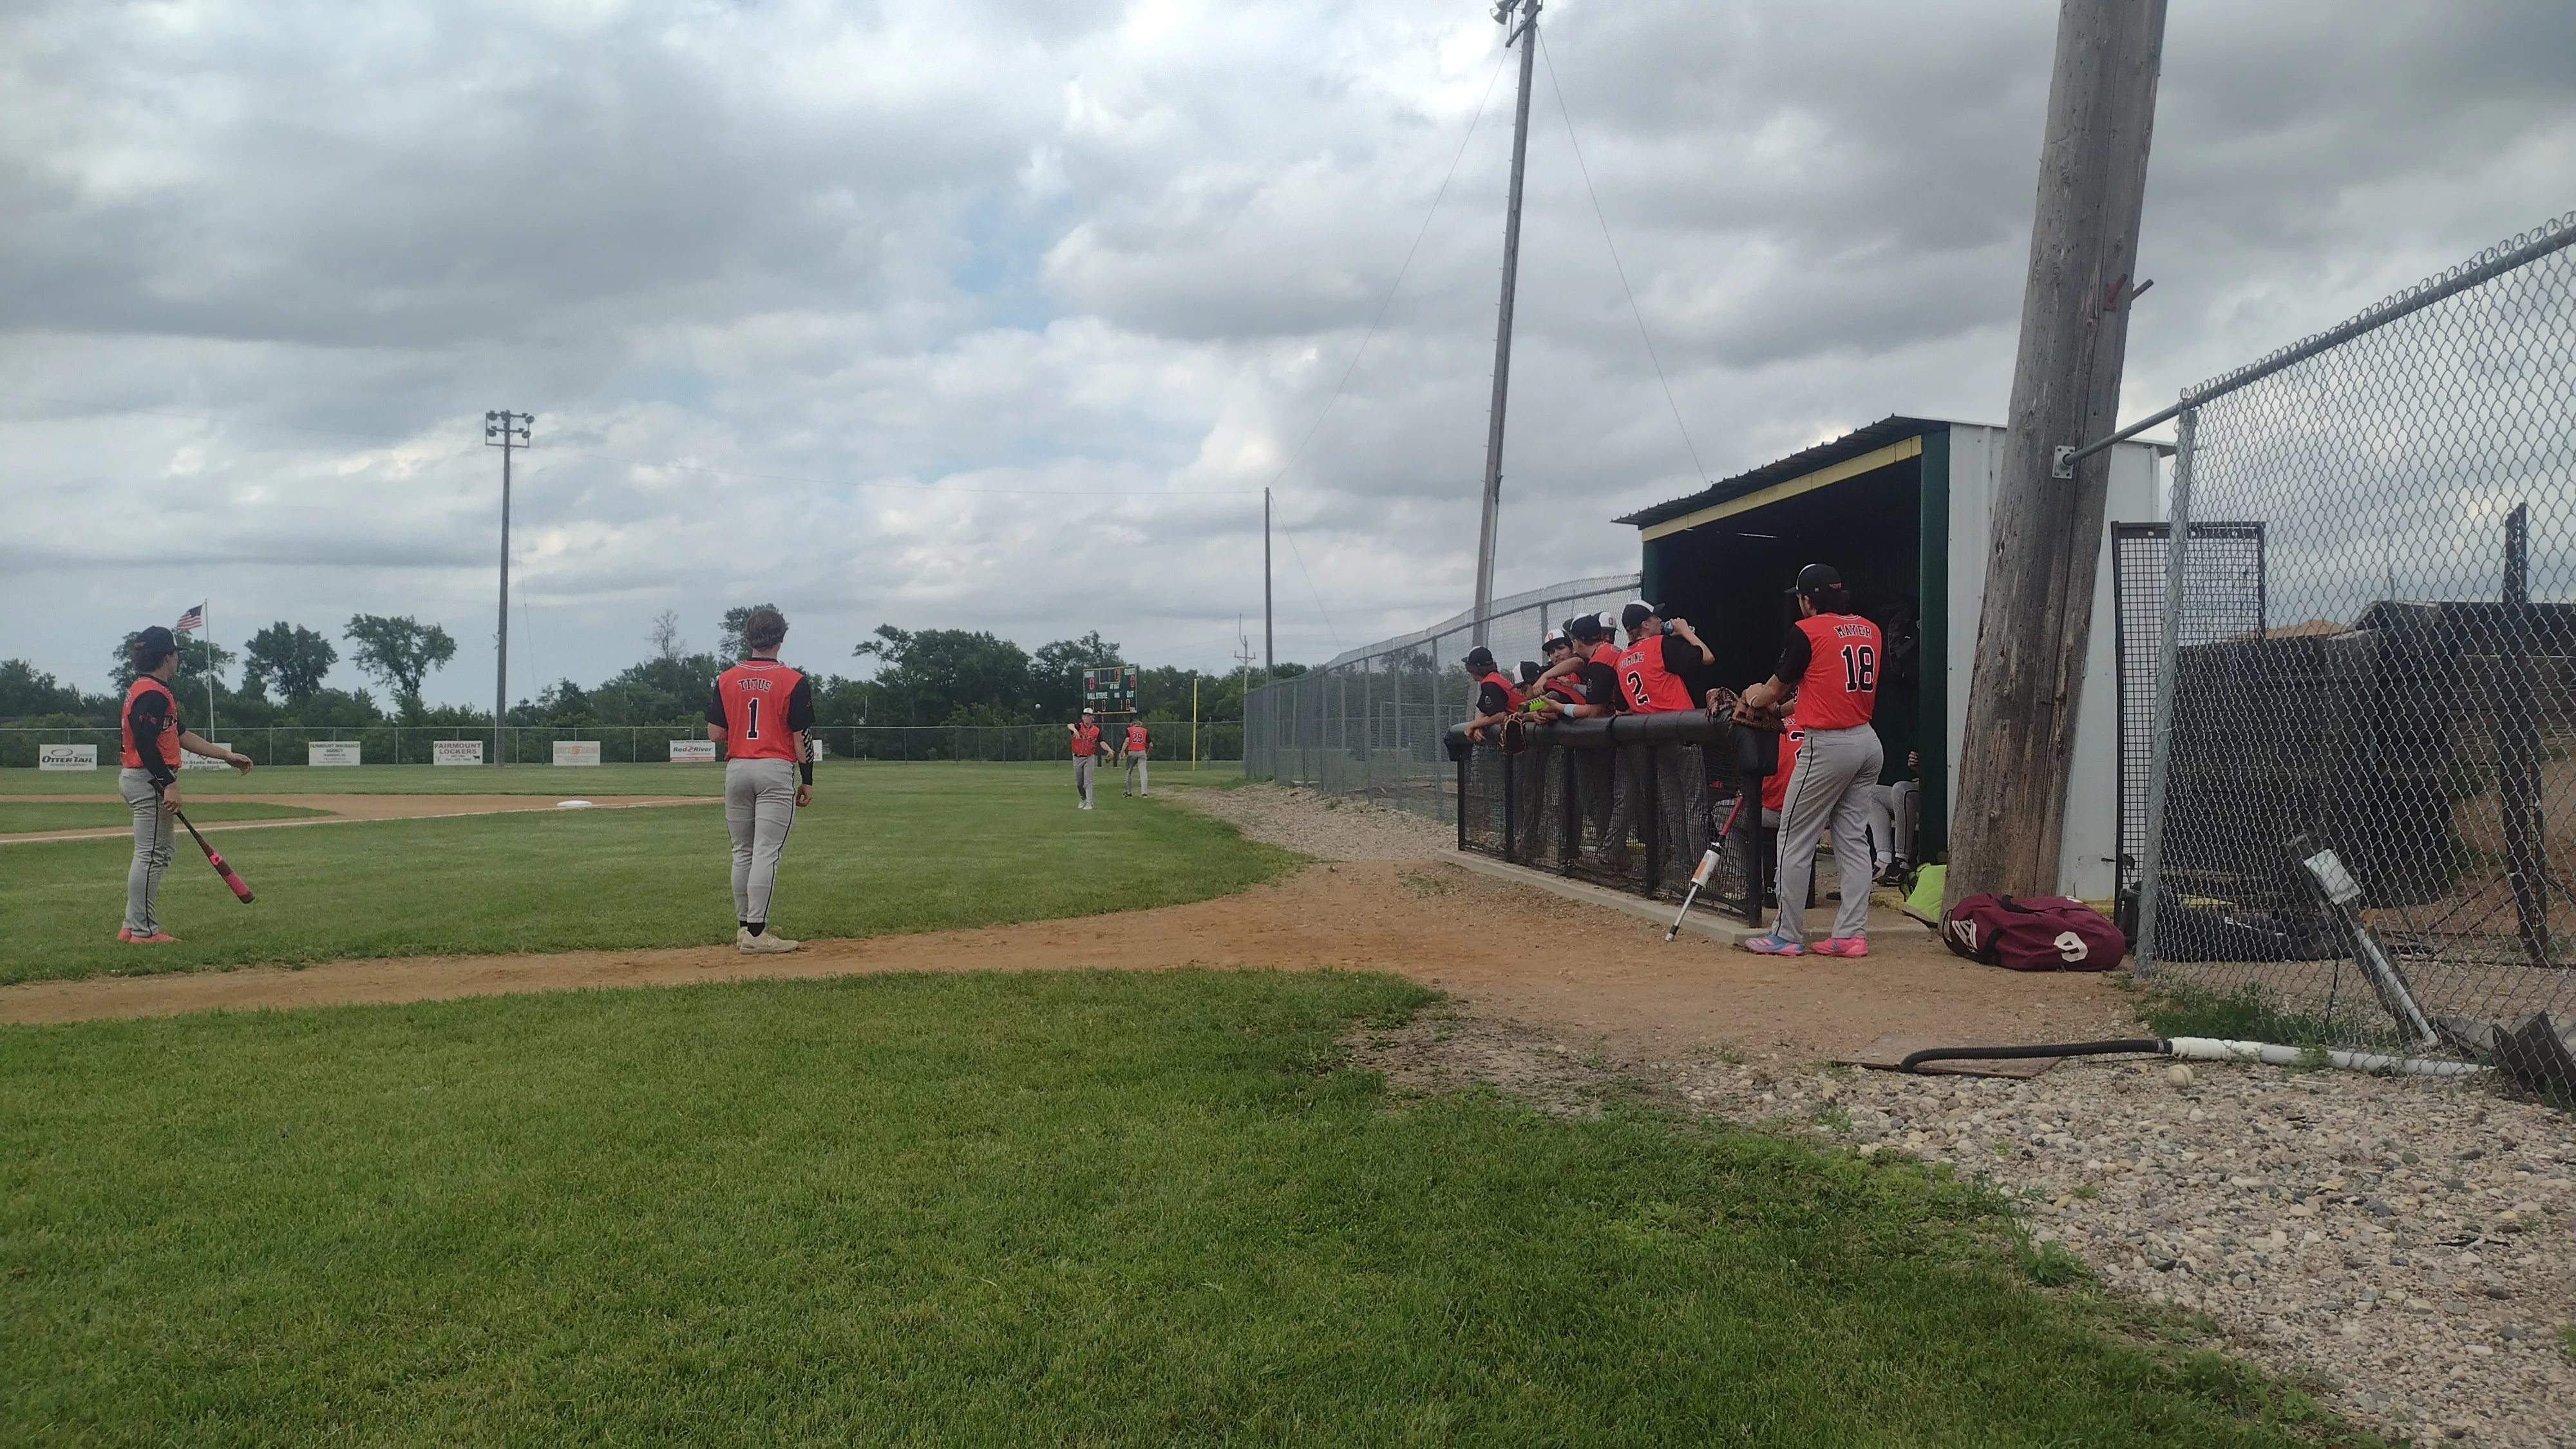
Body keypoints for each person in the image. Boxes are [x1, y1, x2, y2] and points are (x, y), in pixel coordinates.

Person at [1736, 565, 1884, 958]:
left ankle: (1785, 934)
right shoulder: (1871, 628)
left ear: (1807, 599)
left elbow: (1771, 691)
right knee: (1851, 841)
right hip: (1868, 741)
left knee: (1793, 839)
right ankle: (1851, 935)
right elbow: (1822, 686)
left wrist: (1753, 697)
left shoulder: (1808, 631)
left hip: (1829, 745)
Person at [117, 625, 253, 943]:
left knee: (157, 852)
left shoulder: (150, 689)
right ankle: (143, 931)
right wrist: (169, 784)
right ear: (166, 656)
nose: (177, 660)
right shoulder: (151, 693)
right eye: (176, 654)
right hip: (148, 779)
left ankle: (132, 925)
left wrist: (226, 755)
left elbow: (179, 735)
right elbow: (146, 743)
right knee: (152, 855)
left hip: (144, 778)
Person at [706, 607, 813, 954]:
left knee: (742, 852)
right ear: (781, 639)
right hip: (774, 768)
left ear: (749, 638)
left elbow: (715, 734)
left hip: (737, 767)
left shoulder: (725, 679)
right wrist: (808, 779)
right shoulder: (793, 681)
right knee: (767, 851)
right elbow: (801, 740)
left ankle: (744, 928)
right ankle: (757, 934)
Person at [1594, 601, 1714, 877]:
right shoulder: (1660, 644)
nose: (1661, 620)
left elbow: (1623, 707)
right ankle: (1702, 873)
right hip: (1682, 732)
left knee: (1673, 805)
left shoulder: (1623, 658)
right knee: (1693, 803)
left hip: (1654, 738)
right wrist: (1685, 632)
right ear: (1645, 625)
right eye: (1655, 617)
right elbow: (1707, 657)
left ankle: (1681, 868)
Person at [1460, 646, 1522, 743]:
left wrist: (1473, 725)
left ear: (1474, 670)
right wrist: (1478, 724)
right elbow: (1485, 711)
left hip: (1525, 725)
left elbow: (1500, 715)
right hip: (1523, 723)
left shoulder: (1489, 684)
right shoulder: (1494, 678)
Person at [1068, 706, 1103, 809]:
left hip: (1089, 757)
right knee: (1079, 783)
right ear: (1083, 718)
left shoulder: (1096, 730)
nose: (1087, 719)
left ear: (1093, 718)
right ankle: (1083, 798)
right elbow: (1069, 725)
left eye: (1090, 717)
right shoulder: (1078, 726)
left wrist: (1109, 750)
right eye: (1086, 717)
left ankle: (1090, 803)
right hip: (1077, 757)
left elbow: (1102, 741)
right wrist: (1075, 730)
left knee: (1088, 781)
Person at [1122, 716, 1151, 797]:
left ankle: (1128, 792)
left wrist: (1122, 751)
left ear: (1132, 724)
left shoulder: (1129, 730)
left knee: (1129, 772)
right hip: (1142, 752)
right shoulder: (1145, 731)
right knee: (1143, 772)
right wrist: (1148, 753)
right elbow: (1151, 745)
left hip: (1132, 752)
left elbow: (1127, 741)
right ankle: (1144, 793)